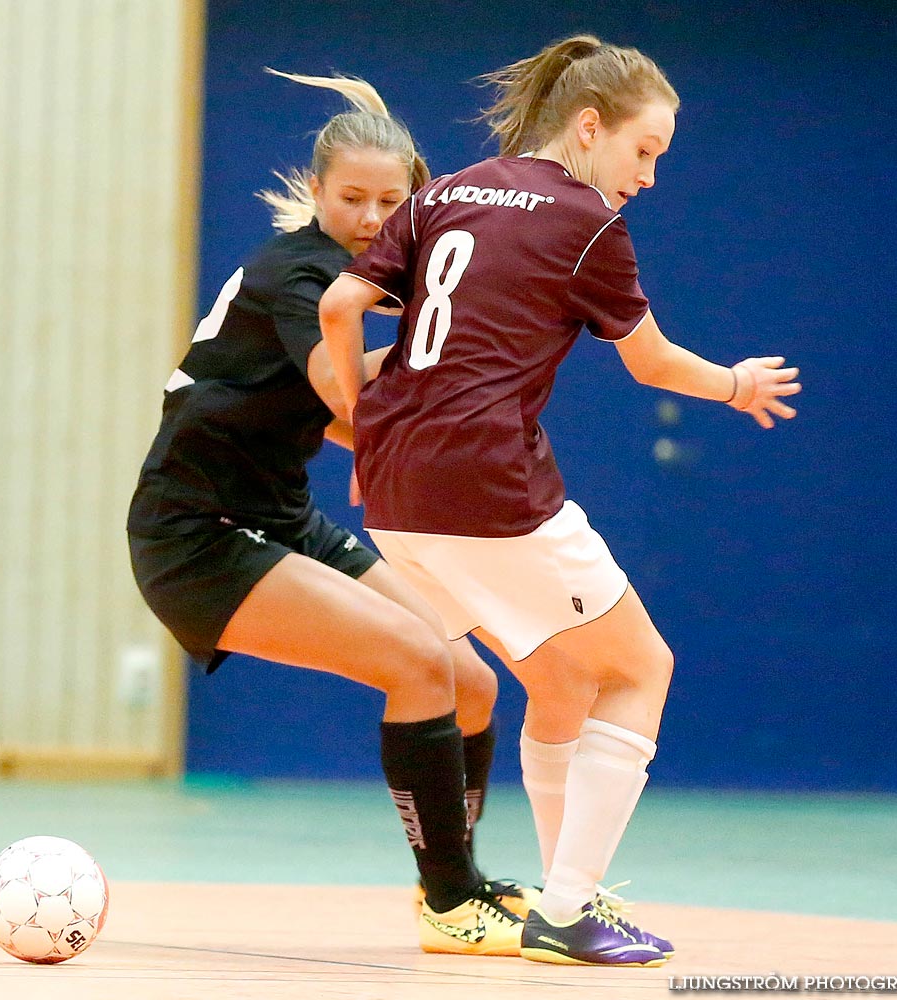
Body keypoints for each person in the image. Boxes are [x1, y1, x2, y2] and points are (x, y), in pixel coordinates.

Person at [319, 34, 801, 967]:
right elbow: (652, 362)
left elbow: (341, 309)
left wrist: (363, 426)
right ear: (589, 128)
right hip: (487, 482)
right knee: (641, 669)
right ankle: (569, 908)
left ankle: (559, 898)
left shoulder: (445, 190)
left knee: (562, 680)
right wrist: (739, 385)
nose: (651, 177)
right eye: (645, 151)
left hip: (396, 491)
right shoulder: (586, 222)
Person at [127, 69, 527, 955]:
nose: (372, 217)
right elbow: (343, 398)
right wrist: (455, 353)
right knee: (419, 666)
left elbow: (354, 422)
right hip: (198, 534)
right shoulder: (301, 274)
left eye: (391, 201)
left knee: (471, 683)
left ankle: (459, 883)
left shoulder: (375, 270)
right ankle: (451, 901)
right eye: (352, 198)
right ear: (315, 191)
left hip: (280, 519)